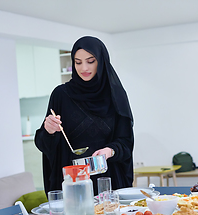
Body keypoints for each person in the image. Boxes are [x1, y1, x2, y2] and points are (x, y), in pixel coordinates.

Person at [35, 36, 134, 195]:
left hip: (109, 182)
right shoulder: (61, 95)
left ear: (101, 61)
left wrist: (110, 150)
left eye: (90, 61)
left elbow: (126, 143)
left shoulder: (116, 96)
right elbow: (43, 145)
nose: (84, 68)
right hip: (74, 183)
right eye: (78, 62)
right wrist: (48, 130)